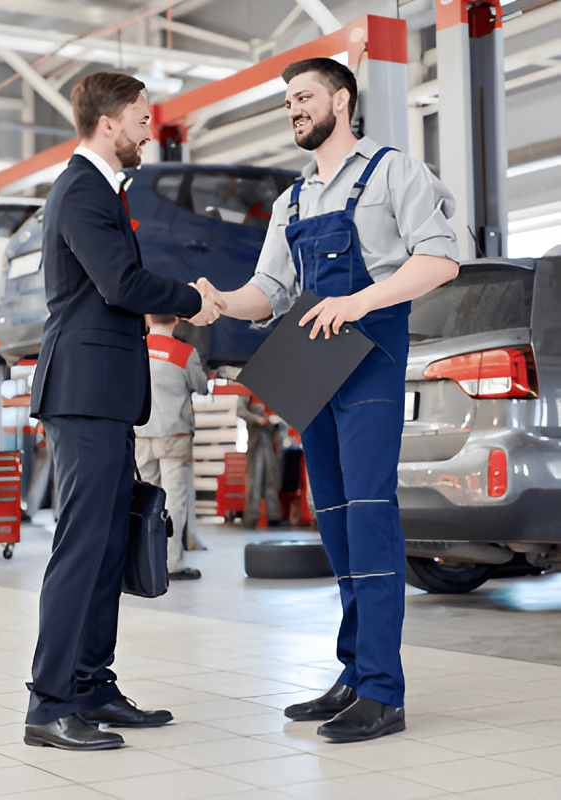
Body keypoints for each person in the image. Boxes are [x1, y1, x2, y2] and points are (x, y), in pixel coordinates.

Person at [197, 58, 459, 743]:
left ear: (341, 101)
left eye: (304, 97)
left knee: (370, 517)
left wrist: (357, 302)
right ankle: (352, 674)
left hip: (368, 358)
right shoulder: (291, 202)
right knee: (337, 523)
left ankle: (383, 691)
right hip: (312, 368)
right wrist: (224, 302)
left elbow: (439, 259)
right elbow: (270, 292)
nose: (294, 109)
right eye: (287, 102)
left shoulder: (394, 171)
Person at [25, 71, 224, 752]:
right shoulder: (81, 189)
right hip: (82, 393)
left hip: (106, 394)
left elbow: (112, 289)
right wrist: (193, 298)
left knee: (109, 543)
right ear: (108, 122)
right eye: (141, 117)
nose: (149, 128)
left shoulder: (103, 191)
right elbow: (121, 284)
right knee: (81, 548)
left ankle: (92, 685)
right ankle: (49, 705)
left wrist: (174, 299)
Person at [135, 313, 207, 580]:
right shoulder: (184, 352)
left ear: (146, 318)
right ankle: (171, 563)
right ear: (177, 320)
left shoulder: (136, 346)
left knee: (144, 498)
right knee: (173, 500)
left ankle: (145, 558)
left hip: (141, 435)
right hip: (174, 437)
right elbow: (201, 386)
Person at [236, 394, 282, 528]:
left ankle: (274, 516)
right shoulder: (247, 390)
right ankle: (251, 517)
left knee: (272, 479)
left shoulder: (273, 388)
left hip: (272, 438)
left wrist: (277, 419)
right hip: (256, 438)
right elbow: (240, 411)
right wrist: (257, 419)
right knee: (254, 478)